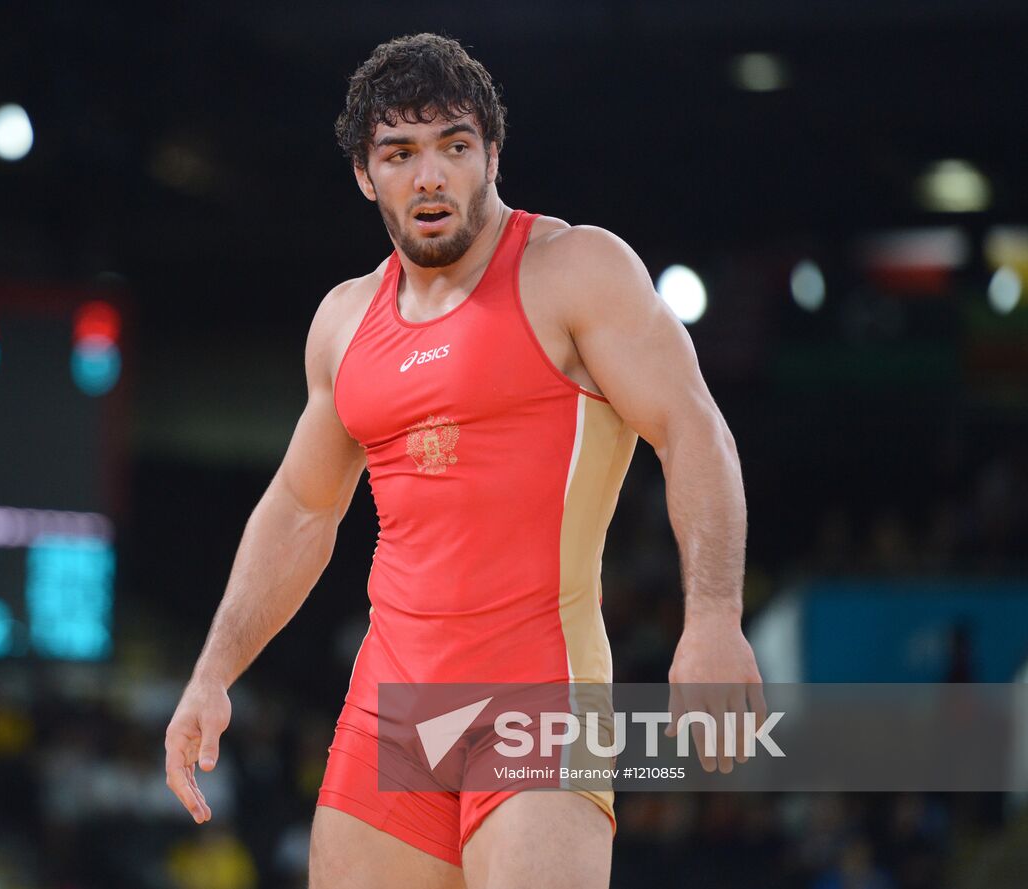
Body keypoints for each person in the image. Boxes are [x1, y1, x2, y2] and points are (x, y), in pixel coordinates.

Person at [165, 32, 764, 888]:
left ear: (491, 154)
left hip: (542, 698)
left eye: (453, 145)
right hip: (393, 709)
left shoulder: (574, 271)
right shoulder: (344, 323)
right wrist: (213, 673)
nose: (430, 176)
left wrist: (711, 615)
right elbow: (302, 508)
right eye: (400, 154)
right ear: (367, 176)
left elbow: (694, 431)